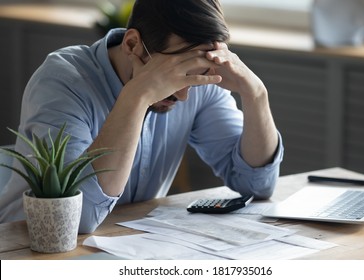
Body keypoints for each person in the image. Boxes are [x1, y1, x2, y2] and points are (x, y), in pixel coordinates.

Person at [0, 0, 283, 233]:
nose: (185, 95)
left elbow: (256, 184)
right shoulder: (62, 81)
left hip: (127, 242)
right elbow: (78, 218)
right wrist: (136, 97)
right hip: (29, 247)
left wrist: (256, 93)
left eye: (197, 74)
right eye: (176, 73)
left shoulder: (199, 84)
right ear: (133, 45)